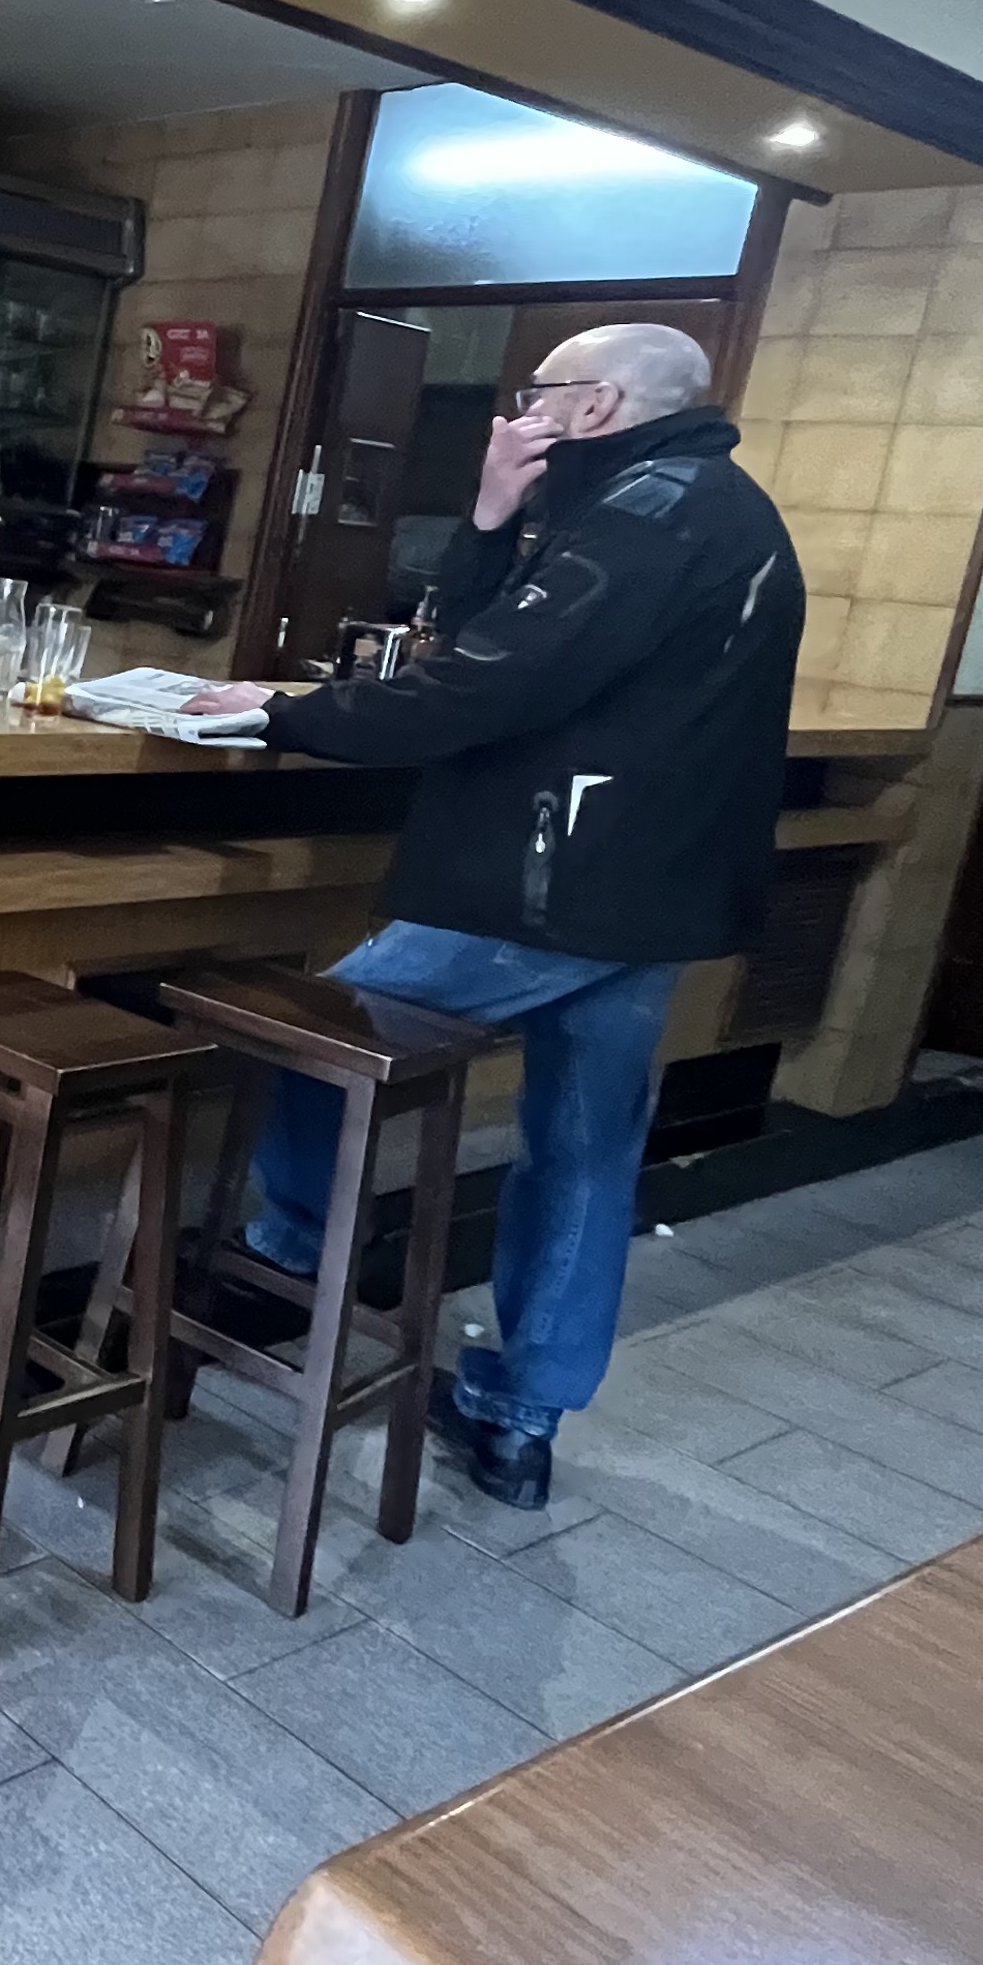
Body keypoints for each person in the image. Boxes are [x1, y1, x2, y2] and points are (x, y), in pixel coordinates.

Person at [182, 320, 802, 1508]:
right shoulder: (705, 503)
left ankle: (295, 1246)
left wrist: (285, 712)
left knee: (310, 1037)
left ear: (597, 404)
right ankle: (521, 1419)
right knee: (584, 1149)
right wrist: (487, 518)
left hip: (549, 881)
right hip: (649, 892)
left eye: (541, 393)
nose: (522, 412)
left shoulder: (646, 513)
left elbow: (480, 684)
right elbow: (493, 642)